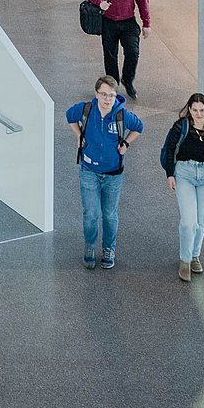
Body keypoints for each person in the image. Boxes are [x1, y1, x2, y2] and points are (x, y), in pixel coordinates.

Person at [64, 75, 143, 270]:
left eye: (111, 95)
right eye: (104, 95)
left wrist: (126, 143)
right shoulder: (86, 110)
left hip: (113, 174)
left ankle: (109, 249)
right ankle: (90, 246)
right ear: (96, 94)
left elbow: (139, 127)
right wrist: (79, 136)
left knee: (109, 215)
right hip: (89, 170)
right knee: (91, 214)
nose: (108, 99)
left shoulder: (121, 114)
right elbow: (69, 116)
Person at [160, 92, 204, 283]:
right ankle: (185, 260)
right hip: (184, 173)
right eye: (195, 110)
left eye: (202, 110)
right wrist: (170, 175)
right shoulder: (180, 126)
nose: (198, 114)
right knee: (188, 222)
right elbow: (170, 149)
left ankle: (195, 254)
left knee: (201, 221)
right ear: (189, 109)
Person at [83, 0, 150, 100]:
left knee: (133, 53)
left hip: (128, 22)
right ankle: (112, 85)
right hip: (109, 22)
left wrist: (146, 23)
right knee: (110, 55)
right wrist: (99, 2)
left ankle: (128, 80)